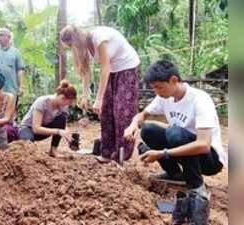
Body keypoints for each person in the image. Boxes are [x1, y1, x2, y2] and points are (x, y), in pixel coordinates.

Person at [124, 60, 227, 200]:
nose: (156, 92)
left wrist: (163, 153)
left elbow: (203, 145)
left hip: (210, 160)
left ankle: (196, 186)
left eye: (159, 87)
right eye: (154, 88)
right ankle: (175, 174)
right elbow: (142, 115)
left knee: (175, 132)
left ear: (173, 80)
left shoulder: (200, 99)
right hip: (182, 147)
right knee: (148, 130)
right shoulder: (164, 98)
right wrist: (133, 125)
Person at [60, 25, 140, 163]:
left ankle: (120, 156)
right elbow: (85, 72)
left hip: (127, 68)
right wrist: (85, 96)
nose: (71, 49)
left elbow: (105, 68)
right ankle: (107, 153)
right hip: (113, 71)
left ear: (75, 40)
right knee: (106, 112)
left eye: (70, 46)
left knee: (122, 112)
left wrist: (98, 98)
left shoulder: (99, 37)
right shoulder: (85, 47)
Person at [18, 80, 76, 157]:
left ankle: (53, 150)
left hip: (43, 130)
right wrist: (58, 131)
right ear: (62, 98)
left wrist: (68, 137)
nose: (68, 105)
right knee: (27, 144)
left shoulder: (63, 106)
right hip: (28, 128)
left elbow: (63, 125)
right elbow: (36, 128)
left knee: (61, 118)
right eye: (68, 103)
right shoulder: (42, 102)